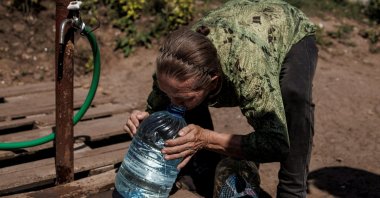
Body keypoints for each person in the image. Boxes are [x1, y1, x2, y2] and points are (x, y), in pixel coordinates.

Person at [124, 0, 318, 197]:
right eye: (167, 93)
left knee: (295, 99)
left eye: (182, 98)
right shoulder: (172, 66)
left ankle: (292, 191)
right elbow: (159, 105)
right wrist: (145, 117)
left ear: (213, 81)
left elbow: (276, 144)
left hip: (284, 26)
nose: (173, 103)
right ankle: (202, 171)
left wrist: (206, 139)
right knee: (182, 100)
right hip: (236, 22)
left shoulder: (248, 72)